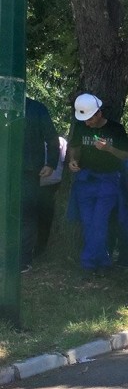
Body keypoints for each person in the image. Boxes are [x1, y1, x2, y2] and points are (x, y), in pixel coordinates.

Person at [68, 93, 128, 272]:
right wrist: (72, 160)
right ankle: (103, 262)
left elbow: (127, 155)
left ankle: (88, 263)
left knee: (99, 222)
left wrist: (109, 148)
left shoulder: (116, 129)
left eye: (89, 119)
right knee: (88, 223)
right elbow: (74, 147)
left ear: (98, 114)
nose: (86, 123)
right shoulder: (81, 127)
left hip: (108, 181)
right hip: (84, 180)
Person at [21, 98, 60, 273]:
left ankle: (23, 259)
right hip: (4, 168)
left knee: (26, 214)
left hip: (28, 171)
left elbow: (52, 138)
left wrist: (51, 163)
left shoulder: (36, 108)